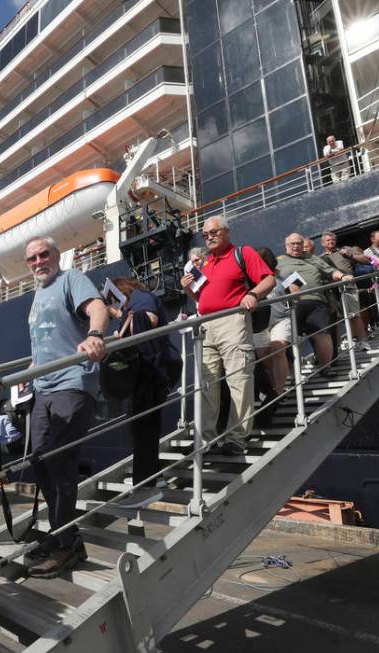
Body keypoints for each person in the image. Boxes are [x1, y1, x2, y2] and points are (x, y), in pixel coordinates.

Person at [23, 235, 108, 578]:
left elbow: (97, 307)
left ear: (56, 255)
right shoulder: (37, 294)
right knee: (40, 460)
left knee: (59, 456)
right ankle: (64, 534)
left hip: (73, 382)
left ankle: (65, 543)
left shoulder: (70, 278)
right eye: (32, 258)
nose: (38, 261)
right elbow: (45, 341)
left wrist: (96, 335)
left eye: (44, 254)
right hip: (43, 387)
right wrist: (30, 370)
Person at [180, 215, 275, 454]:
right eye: (206, 234)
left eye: (214, 232)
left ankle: (236, 438)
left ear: (226, 231)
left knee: (238, 379)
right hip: (206, 325)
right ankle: (205, 439)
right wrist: (188, 289)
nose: (209, 237)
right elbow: (202, 300)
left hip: (233, 320)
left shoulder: (242, 253)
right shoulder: (206, 263)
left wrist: (253, 294)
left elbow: (269, 280)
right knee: (207, 384)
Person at [107, 277, 176, 509]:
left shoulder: (140, 299)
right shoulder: (131, 307)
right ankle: (154, 476)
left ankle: (145, 487)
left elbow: (149, 320)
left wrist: (121, 317)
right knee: (144, 427)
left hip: (149, 371)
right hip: (148, 372)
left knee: (143, 427)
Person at [277, 233, 353, 375]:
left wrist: (342, 276)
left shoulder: (313, 259)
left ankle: (326, 368)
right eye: (292, 244)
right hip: (291, 305)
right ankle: (293, 375)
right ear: (286, 246)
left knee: (322, 333)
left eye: (299, 243)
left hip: (315, 301)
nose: (296, 246)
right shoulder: (279, 261)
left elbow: (331, 272)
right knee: (287, 340)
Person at [250, 248, 291, 402]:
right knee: (265, 360)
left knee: (278, 349)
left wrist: (294, 292)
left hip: (280, 319)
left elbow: (298, 288)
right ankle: (274, 389)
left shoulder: (283, 274)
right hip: (261, 325)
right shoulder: (251, 278)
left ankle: (279, 391)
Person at [321, 231, 370, 349]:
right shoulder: (320, 258)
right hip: (332, 290)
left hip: (348, 287)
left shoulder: (344, 250)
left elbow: (366, 260)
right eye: (328, 240)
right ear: (322, 243)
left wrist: (351, 255)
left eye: (333, 239)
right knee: (336, 319)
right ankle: (337, 347)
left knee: (354, 314)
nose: (331, 242)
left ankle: (362, 341)